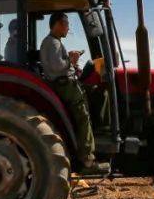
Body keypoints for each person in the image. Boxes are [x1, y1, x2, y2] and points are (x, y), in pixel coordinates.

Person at [39, 11, 106, 174]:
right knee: (83, 116)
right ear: (59, 24)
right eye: (67, 25)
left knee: (92, 94)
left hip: (62, 83)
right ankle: (88, 159)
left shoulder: (52, 42)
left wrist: (70, 59)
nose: (68, 28)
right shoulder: (53, 42)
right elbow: (57, 67)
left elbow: (57, 63)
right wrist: (71, 60)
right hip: (64, 85)